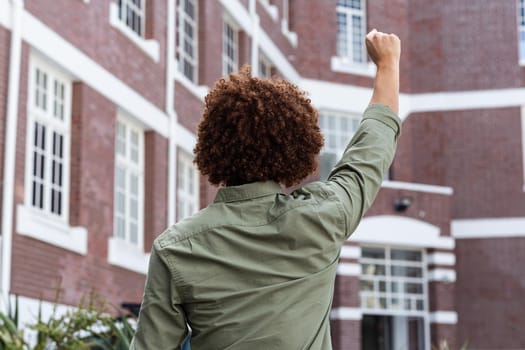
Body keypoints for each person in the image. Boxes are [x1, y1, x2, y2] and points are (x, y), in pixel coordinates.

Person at [130, 29, 401, 350]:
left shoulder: (175, 249)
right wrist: (388, 65)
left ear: (212, 147)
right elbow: (369, 152)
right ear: (297, 147)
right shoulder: (322, 219)